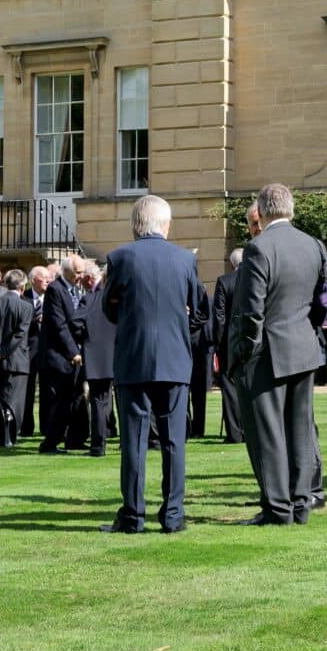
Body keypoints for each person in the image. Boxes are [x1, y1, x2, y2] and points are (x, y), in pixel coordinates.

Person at [226, 183, 327, 525]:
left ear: (263, 208)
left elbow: (249, 312)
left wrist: (242, 353)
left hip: (267, 352)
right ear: (291, 208)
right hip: (304, 348)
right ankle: (300, 503)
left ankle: (277, 508)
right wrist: (313, 327)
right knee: (300, 430)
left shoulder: (258, 248)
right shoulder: (314, 245)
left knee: (268, 433)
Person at [99, 195, 207, 533]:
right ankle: (173, 515)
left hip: (134, 357)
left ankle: (133, 515)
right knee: (174, 440)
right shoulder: (184, 260)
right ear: (166, 224)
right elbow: (200, 312)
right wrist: (180, 323)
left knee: (134, 439)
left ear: (135, 224)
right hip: (175, 358)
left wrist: (127, 314)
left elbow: (109, 308)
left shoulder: (120, 258)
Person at [37, 256, 87, 454]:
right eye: (77, 272)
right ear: (66, 271)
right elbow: (59, 325)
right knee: (62, 400)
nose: (80, 276)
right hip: (58, 356)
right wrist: (73, 352)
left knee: (75, 398)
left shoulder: (74, 290)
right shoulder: (55, 290)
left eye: (82, 272)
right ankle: (50, 443)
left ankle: (74, 439)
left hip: (72, 354)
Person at [0, 269, 35, 447]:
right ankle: (9, 436)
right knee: (14, 403)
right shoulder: (25, 306)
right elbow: (19, 335)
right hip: (16, 360)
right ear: (23, 286)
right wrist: (2, 352)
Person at [81, 259, 116, 457]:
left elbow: (77, 321)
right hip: (118, 355)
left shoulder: (92, 299)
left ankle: (98, 446)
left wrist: (86, 337)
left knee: (98, 402)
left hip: (96, 356)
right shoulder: (122, 300)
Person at [212, 246, 246, 444]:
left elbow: (219, 317)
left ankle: (234, 432)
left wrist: (218, 344)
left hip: (229, 342)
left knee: (230, 388)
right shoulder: (255, 278)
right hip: (253, 340)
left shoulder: (225, 281)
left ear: (231, 264)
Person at [186, 249, 213, 441]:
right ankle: (188, 426)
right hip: (185, 337)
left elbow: (204, 314)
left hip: (195, 339)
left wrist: (188, 322)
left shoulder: (198, 286)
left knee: (197, 387)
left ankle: (198, 427)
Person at [23, 265, 49, 438]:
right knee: (28, 390)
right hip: (29, 351)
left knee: (47, 390)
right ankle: (26, 427)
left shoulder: (52, 297)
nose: (48, 281)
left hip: (47, 351)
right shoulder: (23, 298)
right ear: (33, 281)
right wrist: (35, 320)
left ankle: (46, 427)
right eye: (44, 278)